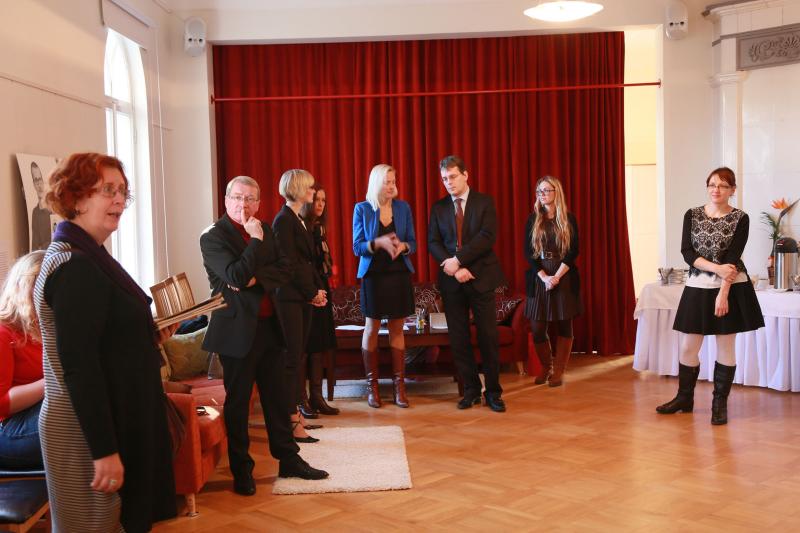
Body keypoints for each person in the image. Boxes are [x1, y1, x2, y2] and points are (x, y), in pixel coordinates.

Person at [33, 152, 176, 532]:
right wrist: (104, 451)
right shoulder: (74, 266)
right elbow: (80, 366)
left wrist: (146, 337)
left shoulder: (90, 255)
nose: (119, 201)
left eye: (123, 192)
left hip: (108, 418)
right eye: (108, 190)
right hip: (85, 429)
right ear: (75, 197)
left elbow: (104, 339)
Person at [200, 175, 328, 497]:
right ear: (226, 200)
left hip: (270, 328)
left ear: (258, 203)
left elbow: (284, 269)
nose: (243, 204)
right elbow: (234, 275)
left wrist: (253, 279)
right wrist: (255, 244)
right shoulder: (213, 237)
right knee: (239, 404)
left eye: (250, 199)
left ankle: (289, 460)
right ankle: (242, 470)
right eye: (237, 197)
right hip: (236, 333)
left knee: (277, 399)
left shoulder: (266, 228)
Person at [658, 167, 764, 425]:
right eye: (713, 184)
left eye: (723, 185)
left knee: (725, 346)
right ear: (707, 187)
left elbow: (733, 257)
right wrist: (716, 268)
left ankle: (719, 404)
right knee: (688, 346)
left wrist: (723, 293)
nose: (717, 189)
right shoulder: (692, 214)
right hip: (698, 285)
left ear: (732, 190)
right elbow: (687, 252)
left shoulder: (741, 218)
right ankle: (684, 398)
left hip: (731, 287)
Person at [428, 155, 507, 412]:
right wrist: (454, 268)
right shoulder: (439, 208)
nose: (448, 182)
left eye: (452, 176)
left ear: (465, 175)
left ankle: (493, 392)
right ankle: (471, 390)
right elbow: (433, 242)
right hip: (452, 281)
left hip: (480, 277)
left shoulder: (485, 202)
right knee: (459, 338)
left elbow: (487, 237)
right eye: (444, 178)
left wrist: (459, 261)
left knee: (487, 336)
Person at [353, 164, 417, 408]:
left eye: (393, 181)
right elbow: (357, 246)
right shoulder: (362, 209)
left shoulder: (403, 208)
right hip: (374, 276)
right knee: (371, 328)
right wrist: (378, 243)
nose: (391, 186)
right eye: (386, 182)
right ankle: (373, 387)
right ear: (376, 184)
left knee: (397, 330)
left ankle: (399, 388)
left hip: (399, 274)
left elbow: (413, 242)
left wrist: (404, 247)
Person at [272, 169, 328, 438]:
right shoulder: (283, 220)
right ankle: (291, 421)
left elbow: (307, 262)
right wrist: (311, 292)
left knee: (298, 356)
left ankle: (297, 419)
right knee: (292, 360)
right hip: (289, 298)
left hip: (301, 296)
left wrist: (317, 290)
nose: (312, 192)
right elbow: (290, 264)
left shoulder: (297, 219)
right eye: (309, 187)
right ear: (296, 189)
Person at [524, 176, 582, 387]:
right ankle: (546, 366)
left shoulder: (568, 218)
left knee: (565, 324)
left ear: (556, 192)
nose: (543, 195)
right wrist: (544, 277)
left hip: (563, 274)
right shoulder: (533, 219)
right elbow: (528, 252)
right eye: (539, 191)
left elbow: (573, 251)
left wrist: (556, 276)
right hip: (539, 276)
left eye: (547, 190)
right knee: (537, 327)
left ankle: (558, 371)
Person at [0, 251, 45, 469]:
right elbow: (1, 403)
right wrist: (53, 381)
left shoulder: (47, 328)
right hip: (8, 430)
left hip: (36, 416)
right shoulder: (4, 332)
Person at [300, 184, 340, 416]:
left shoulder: (320, 228)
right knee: (305, 347)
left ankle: (317, 396)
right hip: (308, 293)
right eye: (316, 199)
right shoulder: (302, 227)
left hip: (322, 289)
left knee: (319, 346)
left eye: (323, 200)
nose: (320, 204)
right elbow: (305, 265)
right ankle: (301, 400)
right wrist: (313, 291)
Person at [30, 162, 53, 251]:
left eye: (40, 179)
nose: (39, 185)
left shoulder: (53, 209)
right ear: (33, 184)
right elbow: (34, 245)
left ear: (44, 181)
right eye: (36, 180)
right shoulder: (35, 212)